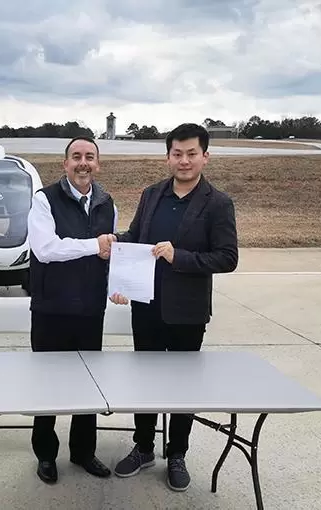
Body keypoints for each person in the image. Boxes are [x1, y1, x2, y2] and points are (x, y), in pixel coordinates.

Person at [109, 123, 238, 491]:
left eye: (191, 154)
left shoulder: (218, 203)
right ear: (168, 157)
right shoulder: (152, 195)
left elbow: (227, 258)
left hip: (187, 313)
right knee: (145, 381)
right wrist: (115, 249)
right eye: (177, 154)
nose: (184, 160)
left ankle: (177, 453)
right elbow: (136, 238)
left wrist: (178, 256)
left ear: (205, 156)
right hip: (146, 308)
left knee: (183, 387)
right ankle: (143, 447)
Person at [26, 135, 118, 484]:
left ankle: (82, 452)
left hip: (91, 310)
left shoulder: (108, 204)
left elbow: (111, 255)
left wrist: (120, 286)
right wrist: (94, 245)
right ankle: (46, 454)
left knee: (88, 386)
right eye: (76, 157)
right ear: (65, 164)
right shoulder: (44, 200)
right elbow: (46, 249)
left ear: (98, 164)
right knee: (46, 386)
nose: (83, 163)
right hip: (51, 309)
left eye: (89, 157)